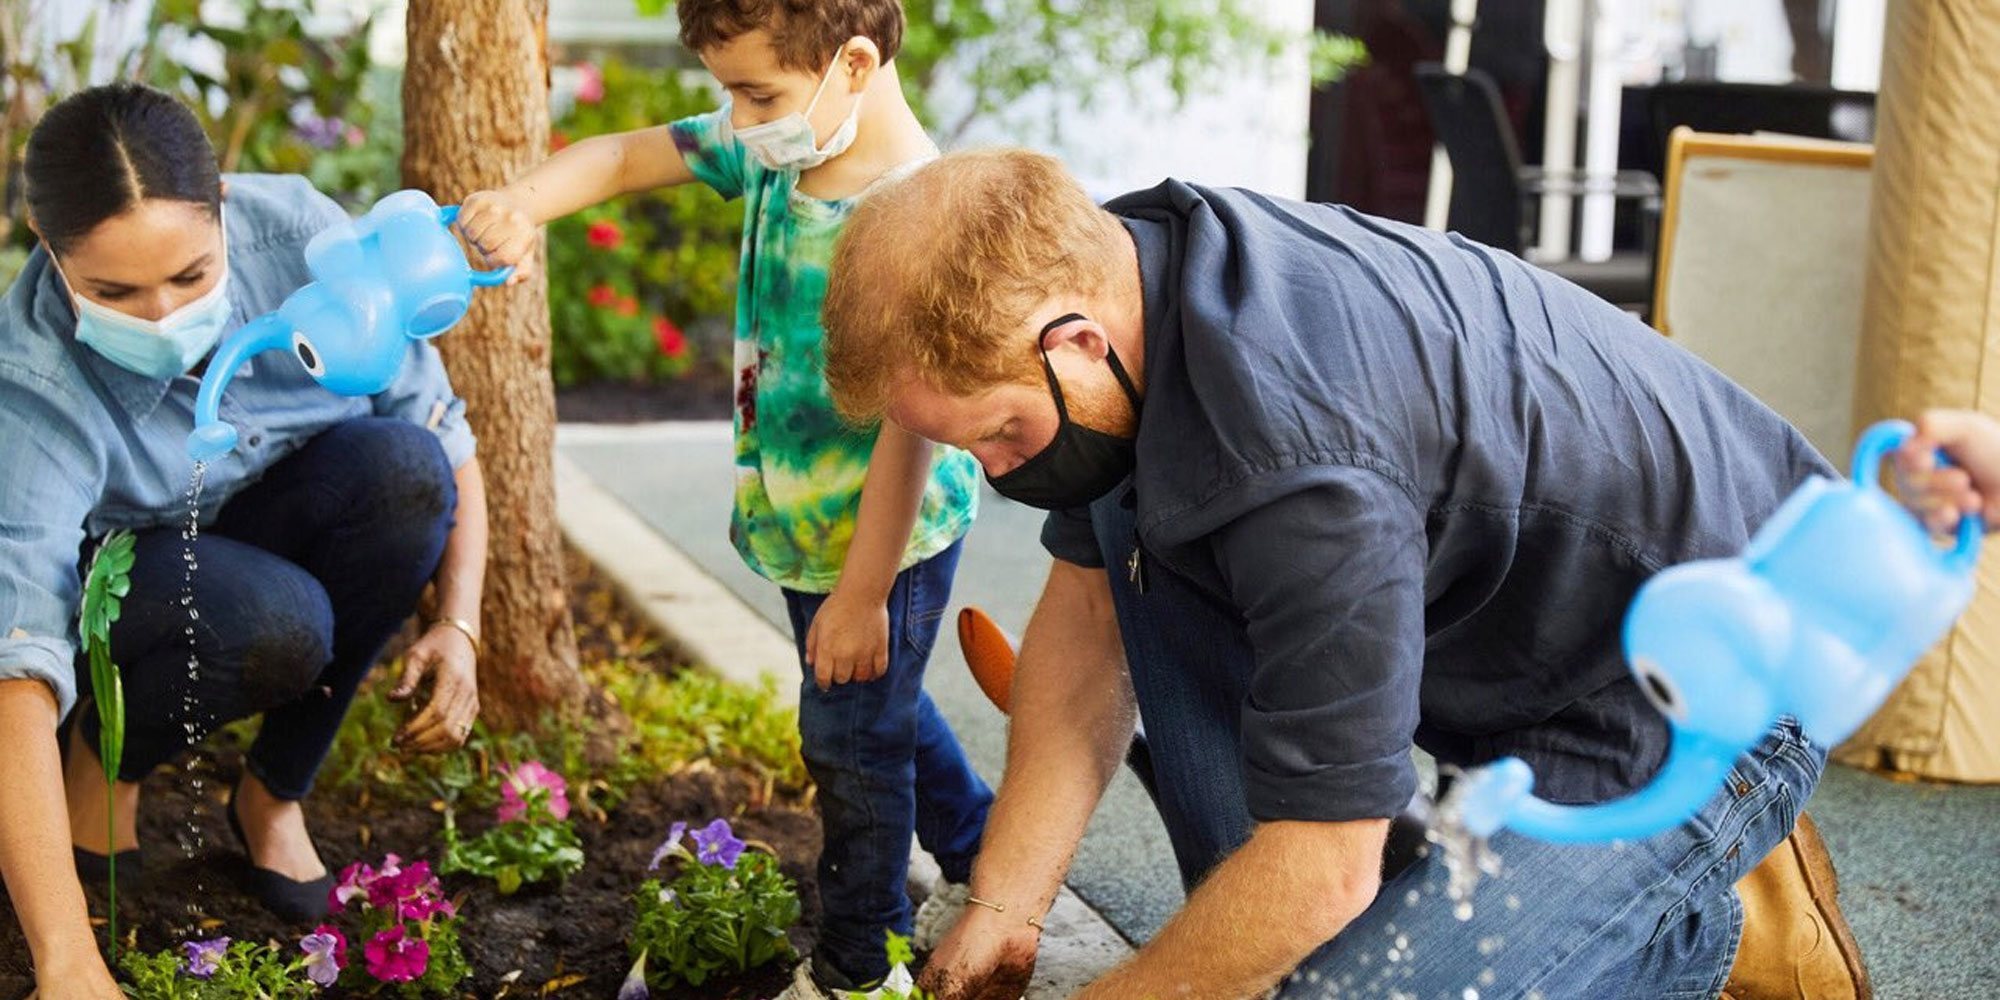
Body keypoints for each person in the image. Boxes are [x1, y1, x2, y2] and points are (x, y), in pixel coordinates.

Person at [817, 147, 1861, 999]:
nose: (998, 472)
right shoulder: (1129, 282)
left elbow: (1324, 862)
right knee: (1261, 943)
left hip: (1708, 686)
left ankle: (1699, 932)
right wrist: (1002, 905)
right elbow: (1089, 612)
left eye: (999, 433)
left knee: (1341, 983)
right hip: (1527, 642)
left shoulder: (1297, 452)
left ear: (1078, 341)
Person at [451, 2, 991, 995]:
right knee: (876, 704)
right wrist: (521, 202)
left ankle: (860, 966)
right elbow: (616, 159)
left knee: (849, 737)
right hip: (799, 522)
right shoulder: (778, 150)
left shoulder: (919, 217)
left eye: (756, 94)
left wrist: (864, 591)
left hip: (885, 538)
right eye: (729, 92)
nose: (736, 118)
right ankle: (979, 842)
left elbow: (911, 432)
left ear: (855, 63)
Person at [0, 83, 486, 998]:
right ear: (47, 246)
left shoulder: (305, 241)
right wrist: (66, 961)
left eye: (189, 276)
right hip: (130, 586)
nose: (159, 317)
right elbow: (17, 664)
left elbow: (445, 436)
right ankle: (107, 761)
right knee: (276, 620)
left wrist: (457, 626)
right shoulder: (30, 385)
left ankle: (273, 790)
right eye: (113, 290)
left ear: (223, 208)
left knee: (404, 471)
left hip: (274, 513)